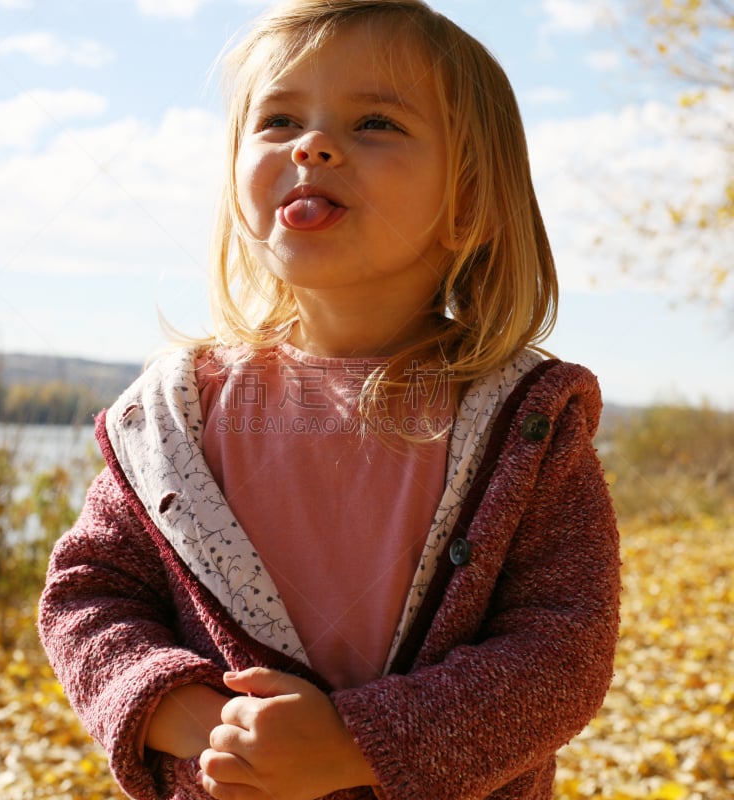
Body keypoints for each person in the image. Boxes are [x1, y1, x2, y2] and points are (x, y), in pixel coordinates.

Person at [38, 1, 620, 798]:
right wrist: (202, 720)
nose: (310, 144)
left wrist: (359, 745)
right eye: (277, 119)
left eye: (375, 122)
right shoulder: (177, 416)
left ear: (468, 204)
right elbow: (89, 596)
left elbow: (561, 649)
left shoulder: (525, 423)